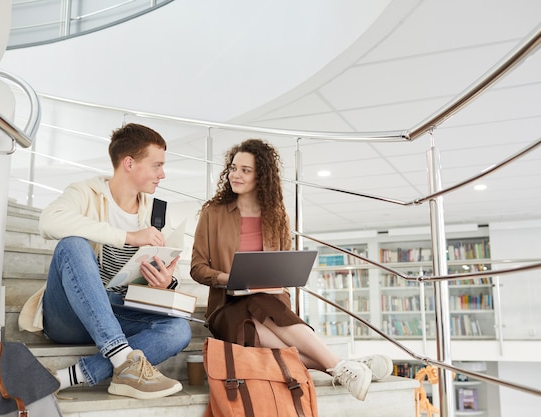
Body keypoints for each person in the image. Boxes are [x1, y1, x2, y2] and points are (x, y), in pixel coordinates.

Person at [190, 138, 392, 401]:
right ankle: (342, 364)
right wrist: (227, 278)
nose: (235, 175)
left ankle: (342, 368)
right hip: (227, 307)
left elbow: (282, 265)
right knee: (256, 316)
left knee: (260, 314)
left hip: (269, 303)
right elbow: (196, 268)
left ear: (261, 176)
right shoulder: (213, 213)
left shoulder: (277, 215)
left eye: (245, 170)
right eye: (233, 167)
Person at [28, 123, 192, 399]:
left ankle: (78, 374)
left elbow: (145, 279)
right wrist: (128, 236)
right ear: (129, 163)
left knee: (178, 330)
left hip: (118, 311)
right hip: (69, 316)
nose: (162, 174)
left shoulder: (156, 212)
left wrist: (165, 283)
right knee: (73, 244)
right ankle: (124, 360)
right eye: (156, 165)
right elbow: (49, 221)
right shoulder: (85, 192)